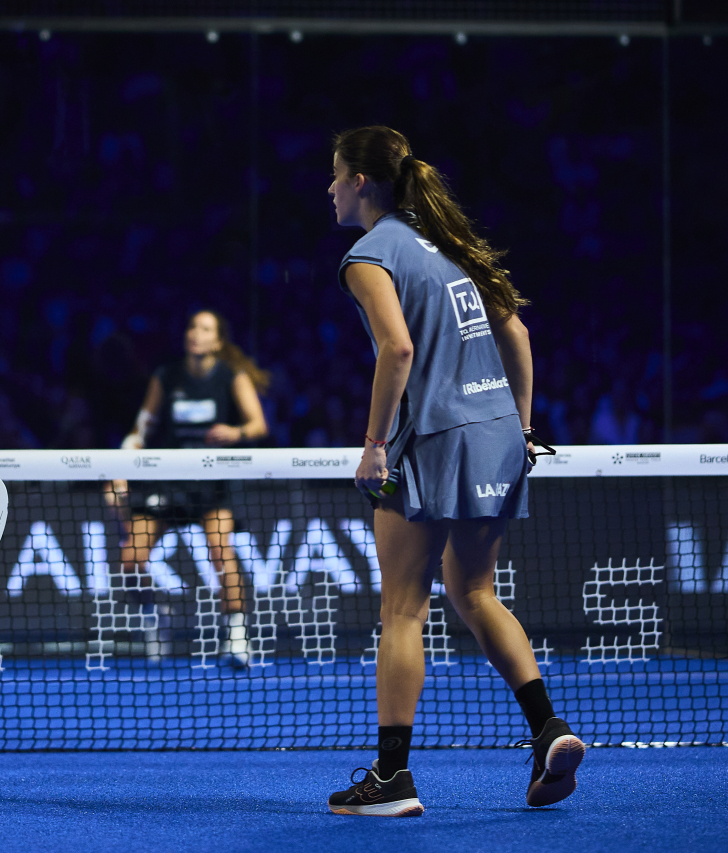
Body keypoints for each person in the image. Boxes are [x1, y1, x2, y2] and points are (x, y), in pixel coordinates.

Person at [322, 126, 581, 816]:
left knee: (404, 607)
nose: (330, 187)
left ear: (363, 184)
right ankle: (548, 727)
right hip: (497, 433)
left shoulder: (367, 256)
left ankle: (392, 778)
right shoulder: (449, 248)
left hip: (431, 439)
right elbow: (517, 333)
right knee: (475, 592)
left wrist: (375, 442)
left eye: (337, 175)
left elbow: (397, 349)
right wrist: (521, 429)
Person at [107, 310, 269, 666]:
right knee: (130, 561)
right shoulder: (167, 376)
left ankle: (238, 639)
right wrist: (119, 467)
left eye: (205, 329)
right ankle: (155, 617)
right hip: (169, 480)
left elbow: (257, 425)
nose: (196, 333)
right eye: (192, 326)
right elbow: (142, 428)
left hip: (212, 484)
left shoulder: (231, 376)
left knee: (220, 552)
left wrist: (235, 432)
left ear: (218, 341)